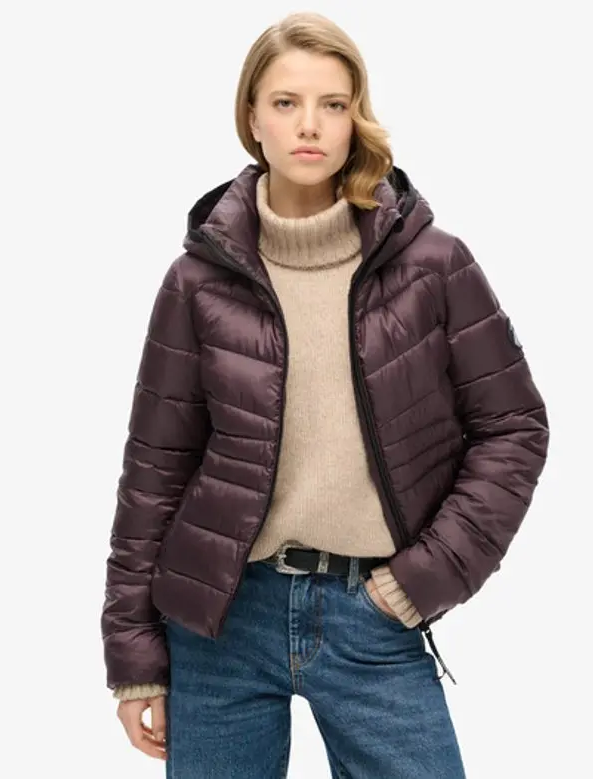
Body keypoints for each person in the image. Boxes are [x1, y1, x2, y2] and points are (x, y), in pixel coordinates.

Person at [100, 11, 549, 777]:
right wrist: (135, 656)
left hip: (373, 613)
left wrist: (419, 581)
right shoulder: (197, 280)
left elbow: (514, 427)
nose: (309, 124)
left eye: (332, 104)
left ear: (354, 118)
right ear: (252, 118)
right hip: (220, 619)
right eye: (286, 102)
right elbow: (155, 469)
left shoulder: (433, 265)